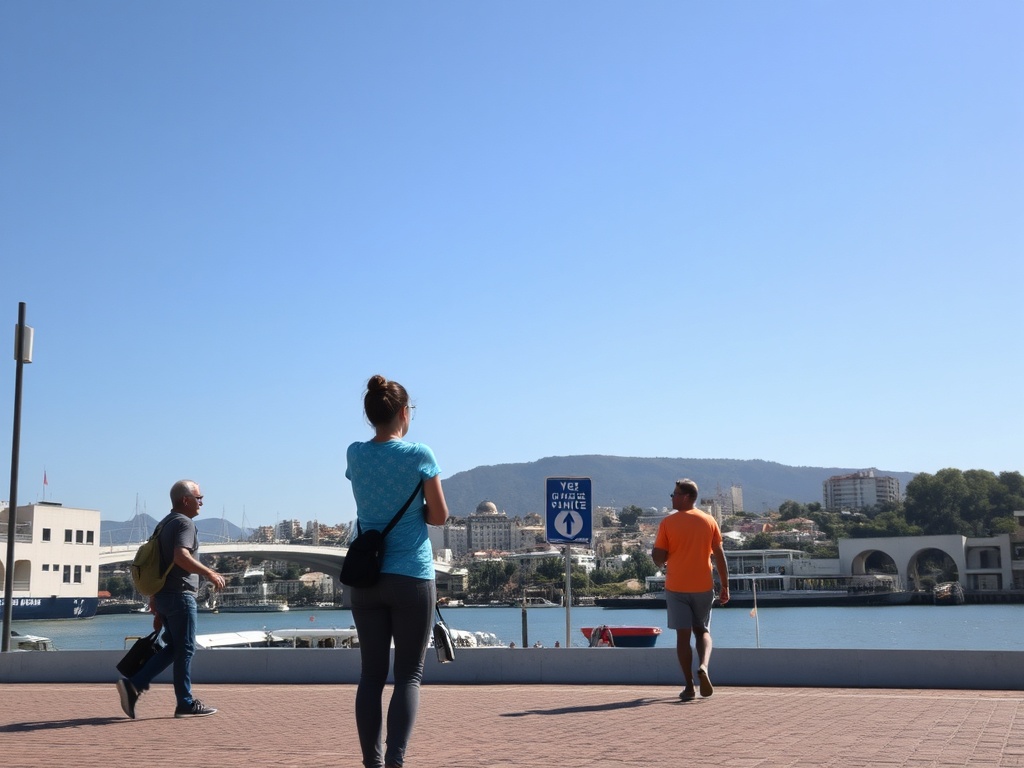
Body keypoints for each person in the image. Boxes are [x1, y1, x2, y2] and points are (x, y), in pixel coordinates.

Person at [346, 375, 449, 768]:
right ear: (405, 413)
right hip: (411, 575)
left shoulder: (354, 453)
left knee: (371, 676)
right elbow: (438, 515)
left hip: (367, 578)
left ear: (371, 413)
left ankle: (370, 763)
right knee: (408, 676)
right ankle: (396, 762)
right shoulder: (419, 454)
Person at [116, 479, 226, 719]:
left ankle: (135, 685)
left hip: (165, 596)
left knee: (176, 647)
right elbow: (180, 556)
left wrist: (156, 601)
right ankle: (182, 702)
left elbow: (159, 564)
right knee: (185, 649)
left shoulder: (164, 524)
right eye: (198, 498)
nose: (202, 502)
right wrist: (209, 573)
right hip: (180, 595)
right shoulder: (184, 523)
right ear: (185, 500)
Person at [651, 478, 730, 701]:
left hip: (676, 586)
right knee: (702, 630)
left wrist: (658, 559)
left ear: (686, 497)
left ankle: (688, 686)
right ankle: (703, 667)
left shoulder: (668, 523)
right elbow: (720, 556)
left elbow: (658, 557)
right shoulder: (709, 521)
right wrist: (725, 585)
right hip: (703, 585)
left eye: (674, 494)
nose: (672, 497)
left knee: (682, 637)